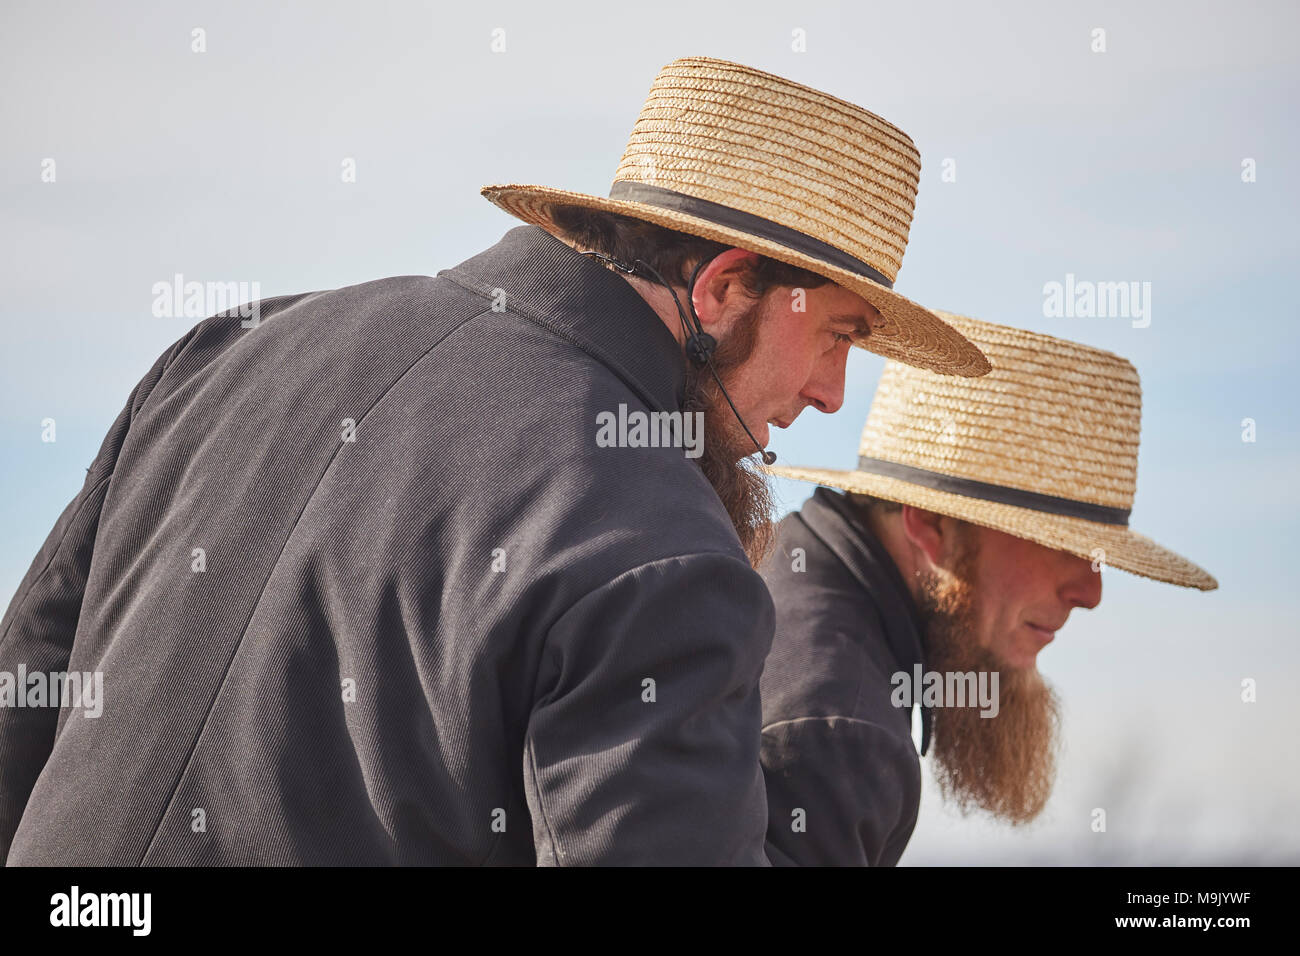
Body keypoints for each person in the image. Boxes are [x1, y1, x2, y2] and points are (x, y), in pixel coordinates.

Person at [0, 56, 986, 866]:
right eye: (838, 337)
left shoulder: (225, 351)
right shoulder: (658, 547)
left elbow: (21, 705)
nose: (832, 395)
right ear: (724, 289)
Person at [758, 312, 1216, 866]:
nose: (1090, 591)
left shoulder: (769, 563)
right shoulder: (840, 734)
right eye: (1060, 544)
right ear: (931, 525)